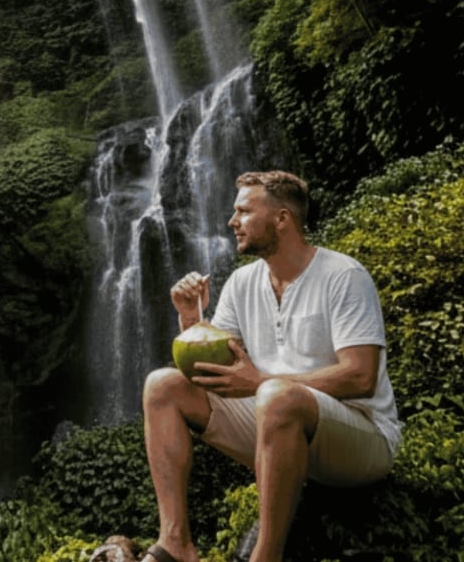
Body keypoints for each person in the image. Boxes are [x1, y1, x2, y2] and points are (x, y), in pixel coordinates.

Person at [138, 171, 400, 562]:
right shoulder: (243, 282)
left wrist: (262, 381)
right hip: (277, 423)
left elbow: (361, 377)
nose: (232, 221)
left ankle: (266, 557)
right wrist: (192, 320)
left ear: (282, 218)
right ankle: (175, 543)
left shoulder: (343, 275)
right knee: (162, 385)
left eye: (244, 210)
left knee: (275, 395)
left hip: (361, 437)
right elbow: (218, 369)